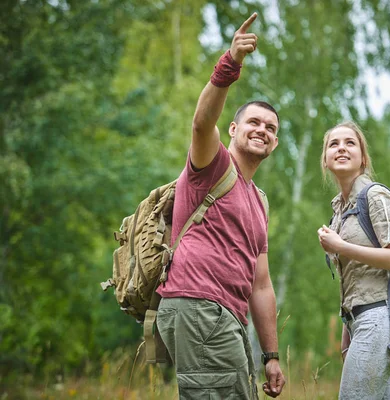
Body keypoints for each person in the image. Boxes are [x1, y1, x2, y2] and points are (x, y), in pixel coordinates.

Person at [156, 13, 285, 400]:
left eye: (272, 128)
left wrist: (272, 355)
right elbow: (200, 123)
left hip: (225, 315)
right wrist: (230, 64)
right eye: (254, 122)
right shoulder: (212, 165)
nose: (263, 130)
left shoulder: (259, 201)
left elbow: (261, 285)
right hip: (199, 304)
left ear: (275, 144)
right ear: (233, 129)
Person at [317, 121, 390, 400]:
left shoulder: (375, 195)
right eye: (333, 144)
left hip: (381, 319)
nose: (341, 148)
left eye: (350, 143)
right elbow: (356, 278)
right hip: (362, 321)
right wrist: (348, 327)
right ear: (325, 159)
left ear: (363, 158)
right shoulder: (340, 208)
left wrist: (341, 246)